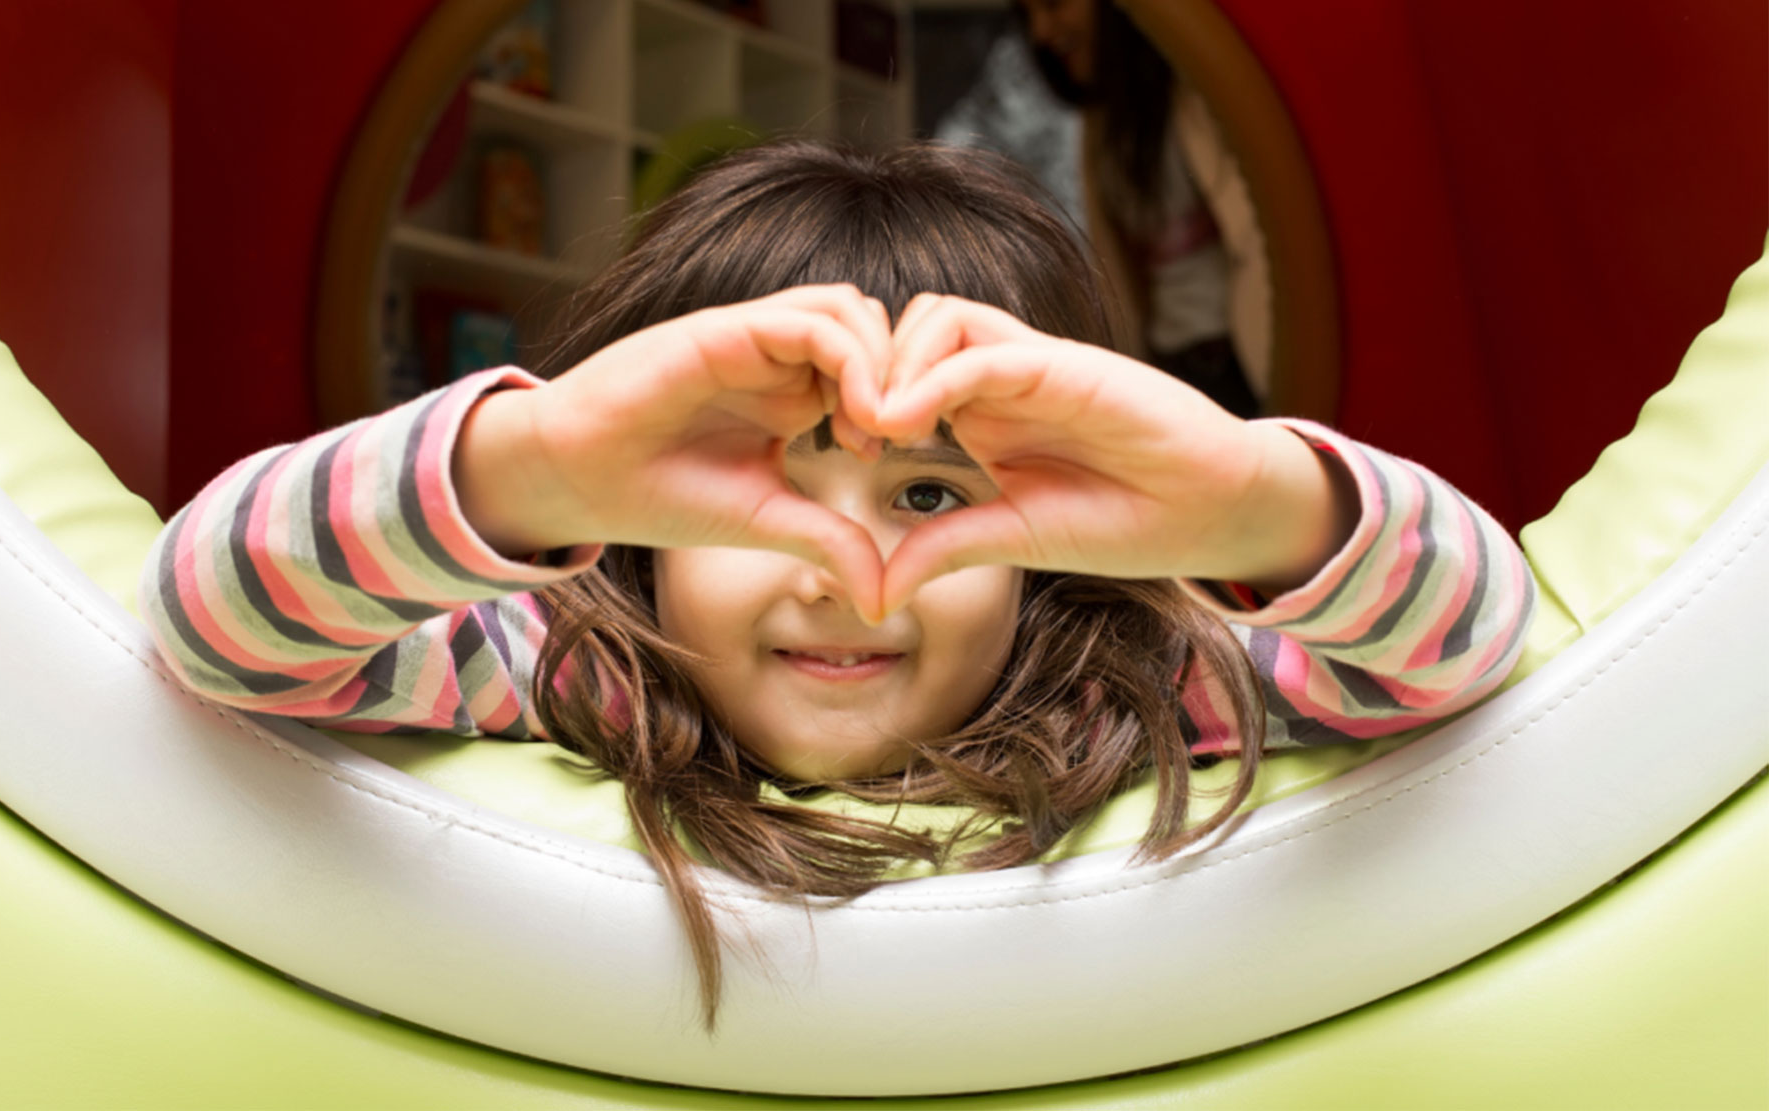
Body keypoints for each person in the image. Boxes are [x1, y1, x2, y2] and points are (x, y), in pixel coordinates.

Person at [141, 140, 1533, 1028]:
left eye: (930, 496)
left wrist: (1248, 502)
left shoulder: (1126, 676)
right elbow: (221, 618)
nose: (848, 577)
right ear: (631, 531)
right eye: (756, 501)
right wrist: (536, 465)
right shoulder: (574, 659)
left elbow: (1466, 643)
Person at [1008, 0, 1268, 417]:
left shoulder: (1202, 95)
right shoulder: (1102, 126)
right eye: (1028, 12)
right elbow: (1121, 276)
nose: (1041, 30)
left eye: (1053, 1)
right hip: (1173, 371)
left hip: (1250, 363)